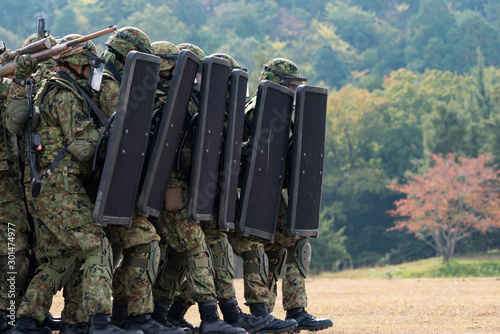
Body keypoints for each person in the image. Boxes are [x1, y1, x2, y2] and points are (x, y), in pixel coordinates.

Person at [8, 34, 141, 334]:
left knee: (60, 257)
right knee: (98, 246)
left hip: (46, 189)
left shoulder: (47, 90)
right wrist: (108, 133)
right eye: (90, 65)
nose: (93, 71)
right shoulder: (65, 96)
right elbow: (83, 147)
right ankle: (99, 321)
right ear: (78, 64)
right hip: (61, 189)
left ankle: (27, 321)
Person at [163, 52, 273, 334]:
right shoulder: (183, 105)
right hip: (175, 191)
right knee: (195, 250)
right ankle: (201, 318)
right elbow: (180, 154)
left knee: (214, 247)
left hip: (201, 192)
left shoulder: (212, 108)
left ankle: (224, 314)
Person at [231, 58, 333, 333]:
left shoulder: (281, 114)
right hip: (246, 199)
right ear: (274, 83)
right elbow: (240, 158)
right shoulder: (254, 111)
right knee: (253, 248)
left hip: (272, 198)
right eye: (289, 84)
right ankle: (259, 313)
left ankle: (296, 310)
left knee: (298, 241)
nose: (293, 89)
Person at [151, 43, 246, 334]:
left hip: (188, 187)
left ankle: (162, 314)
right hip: (168, 186)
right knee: (195, 247)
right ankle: (211, 318)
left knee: (184, 256)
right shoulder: (160, 99)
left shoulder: (188, 99)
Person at [98, 27, 183, 334]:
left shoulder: (108, 80)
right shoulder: (109, 86)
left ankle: (124, 316)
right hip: (101, 189)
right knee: (144, 243)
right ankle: (136, 318)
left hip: (112, 188)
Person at [1, 35, 62, 333]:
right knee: (13, 249)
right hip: (4, 183)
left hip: (17, 176)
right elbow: (13, 118)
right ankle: (8, 314)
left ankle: (25, 311)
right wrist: (19, 81)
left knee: (30, 246)